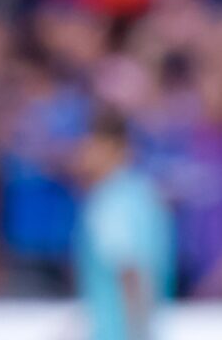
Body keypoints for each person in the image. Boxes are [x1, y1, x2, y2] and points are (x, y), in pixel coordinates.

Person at [74, 110, 173, 340]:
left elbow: (130, 272)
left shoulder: (111, 201)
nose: (81, 154)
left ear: (110, 147)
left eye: (88, 144)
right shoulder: (144, 195)